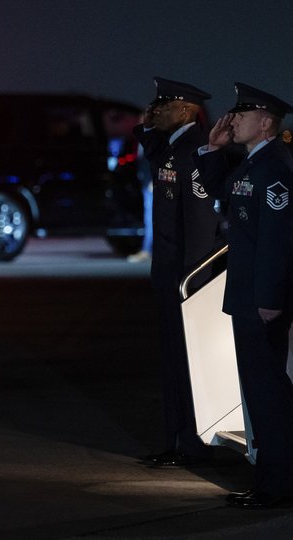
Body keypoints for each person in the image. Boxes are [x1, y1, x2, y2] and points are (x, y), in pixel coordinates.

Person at [195, 82, 293, 508]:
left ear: (267, 123)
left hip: (261, 301)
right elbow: (220, 195)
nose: (232, 120)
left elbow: (278, 241)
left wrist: (270, 298)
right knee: (260, 392)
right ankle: (272, 479)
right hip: (248, 297)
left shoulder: (274, 168)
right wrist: (212, 151)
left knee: (268, 394)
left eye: (243, 114)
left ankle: (278, 484)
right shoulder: (254, 163)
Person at [134, 77, 223, 468]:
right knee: (172, 363)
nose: (155, 110)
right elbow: (152, 149)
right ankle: (177, 440)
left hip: (184, 279)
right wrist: (146, 122)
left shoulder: (194, 151)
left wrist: (191, 282)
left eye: (164, 105)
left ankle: (192, 444)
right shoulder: (172, 147)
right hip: (168, 275)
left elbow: (200, 225)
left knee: (187, 366)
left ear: (186, 110)